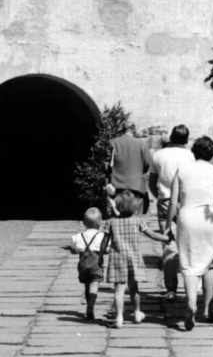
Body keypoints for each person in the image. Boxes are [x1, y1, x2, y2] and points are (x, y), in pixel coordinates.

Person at [164, 135, 213, 331]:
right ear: (211, 154)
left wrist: (168, 225)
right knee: (210, 265)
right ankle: (207, 311)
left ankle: (191, 303)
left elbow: (172, 202)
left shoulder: (182, 171)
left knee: (189, 265)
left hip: (187, 219)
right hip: (209, 219)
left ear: (194, 151)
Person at [103, 191, 172, 328]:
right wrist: (166, 238)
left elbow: (104, 242)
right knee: (134, 288)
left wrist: (100, 257)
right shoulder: (137, 220)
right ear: (133, 206)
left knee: (118, 290)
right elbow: (151, 234)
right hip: (133, 259)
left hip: (117, 259)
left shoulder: (110, 222)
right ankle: (136, 313)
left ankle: (119, 317)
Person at [149, 124, 194, 299]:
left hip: (165, 202)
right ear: (186, 139)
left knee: (168, 245)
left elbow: (152, 182)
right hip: (185, 200)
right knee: (188, 243)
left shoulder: (158, 155)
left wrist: (160, 195)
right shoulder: (190, 156)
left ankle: (170, 289)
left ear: (171, 137)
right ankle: (192, 285)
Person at [106, 123, 153, 216]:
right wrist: (140, 171)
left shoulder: (113, 142)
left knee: (118, 216)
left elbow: (107, 165)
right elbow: (148, 163)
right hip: (136, 185)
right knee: (136, 218)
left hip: (117, 186)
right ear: (134, 129)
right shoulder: (141, 143)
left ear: (122, 129)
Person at [70, 207, 107, 321]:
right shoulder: (102, 236)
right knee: (94, 286)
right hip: (96, 264)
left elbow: (73, 250)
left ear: (84, 223)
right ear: (100, 222)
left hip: (83, 265)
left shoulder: (77, 237)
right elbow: (107, 249)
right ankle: (91, 306)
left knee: (87, 285)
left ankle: (88, 306)